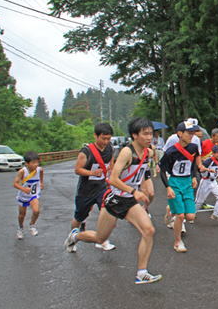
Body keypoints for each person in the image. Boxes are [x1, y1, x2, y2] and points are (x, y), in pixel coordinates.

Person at [64, 118, 162, 284]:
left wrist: (156, 163)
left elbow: (154, 155)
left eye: (151, 134)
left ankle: (142, 272)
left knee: (149, 230)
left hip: (129, 201)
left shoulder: (148, 151)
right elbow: (113, 179)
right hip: (114, 200)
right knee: (100, 238)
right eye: (145, 134)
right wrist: (134, 191)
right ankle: (76, 236)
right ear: (134, 135)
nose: (149, 137)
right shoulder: (126, 152)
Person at [69, 123, 116, 252]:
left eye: (108, 139)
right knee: (79, 217)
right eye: (103, 138)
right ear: (95, 136)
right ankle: (72, 238)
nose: (106, 142)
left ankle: (102, 239)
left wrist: (111, 176)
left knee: (107, 211)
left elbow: (111, 165)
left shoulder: (110, 149)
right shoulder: (86, 151)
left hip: (102, 187)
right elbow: (77, 170)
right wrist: (92, 173)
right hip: (86, 190)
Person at [159, 121, 200, 253]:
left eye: (193, 133)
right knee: (181, 216)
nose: (192, 135)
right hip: (175, 182)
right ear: (180, 133)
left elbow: (193, 163)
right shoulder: (171, 152)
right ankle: (177, 241)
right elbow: (162, 170)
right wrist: (168, 187)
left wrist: (194, 176)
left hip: (188, 183)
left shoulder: (194, 147)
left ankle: (170, 208)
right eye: (189, 133)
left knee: (190, 217)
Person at [13, 151, 44, 239]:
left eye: (37, 162)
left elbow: (41, 173)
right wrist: (24, 189)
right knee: (22, 215)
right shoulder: (22, 172)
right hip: (23, 195)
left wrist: (41, 183)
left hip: (33, 194)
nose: (36, 164)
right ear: (27, 163)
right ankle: (20, 228)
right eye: (33, 163)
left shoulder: (39, 169)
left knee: (36, 211)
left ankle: (32, 225)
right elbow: (15, 184)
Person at [195, 145, 218, 221]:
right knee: (199, 201)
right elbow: (200, 169)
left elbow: (216, 171)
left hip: (214, 182)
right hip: (205, 182)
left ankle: (215, 214)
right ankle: (192, 214)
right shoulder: (209, 161)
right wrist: (208, 170)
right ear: (213, 153)